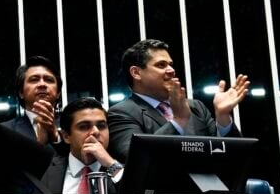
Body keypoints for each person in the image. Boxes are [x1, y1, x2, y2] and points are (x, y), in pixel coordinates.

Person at [107, 38, 249, 162]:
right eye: (161, 65)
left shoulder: (195, 106)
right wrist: (179, 121)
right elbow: (136, 158)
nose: (171, 70)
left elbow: (235, 156)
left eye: (170, 64)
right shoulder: (120, 113)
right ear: (136, 73)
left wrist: (223, 117)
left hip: (209, 188)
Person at [41, 98, 124, 194]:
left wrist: (111, 164)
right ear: (66, 136)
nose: (96, 132)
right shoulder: (46, 169)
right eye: (84, 126)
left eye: (101, 126)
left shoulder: (121, 169)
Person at [6, 56, 63, 147]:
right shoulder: (6, 131)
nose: (42, 84)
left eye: (48, 80)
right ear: (21, 92)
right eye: (34, 79)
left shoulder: (74, 127)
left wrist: (55, 138)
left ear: (58, 93)